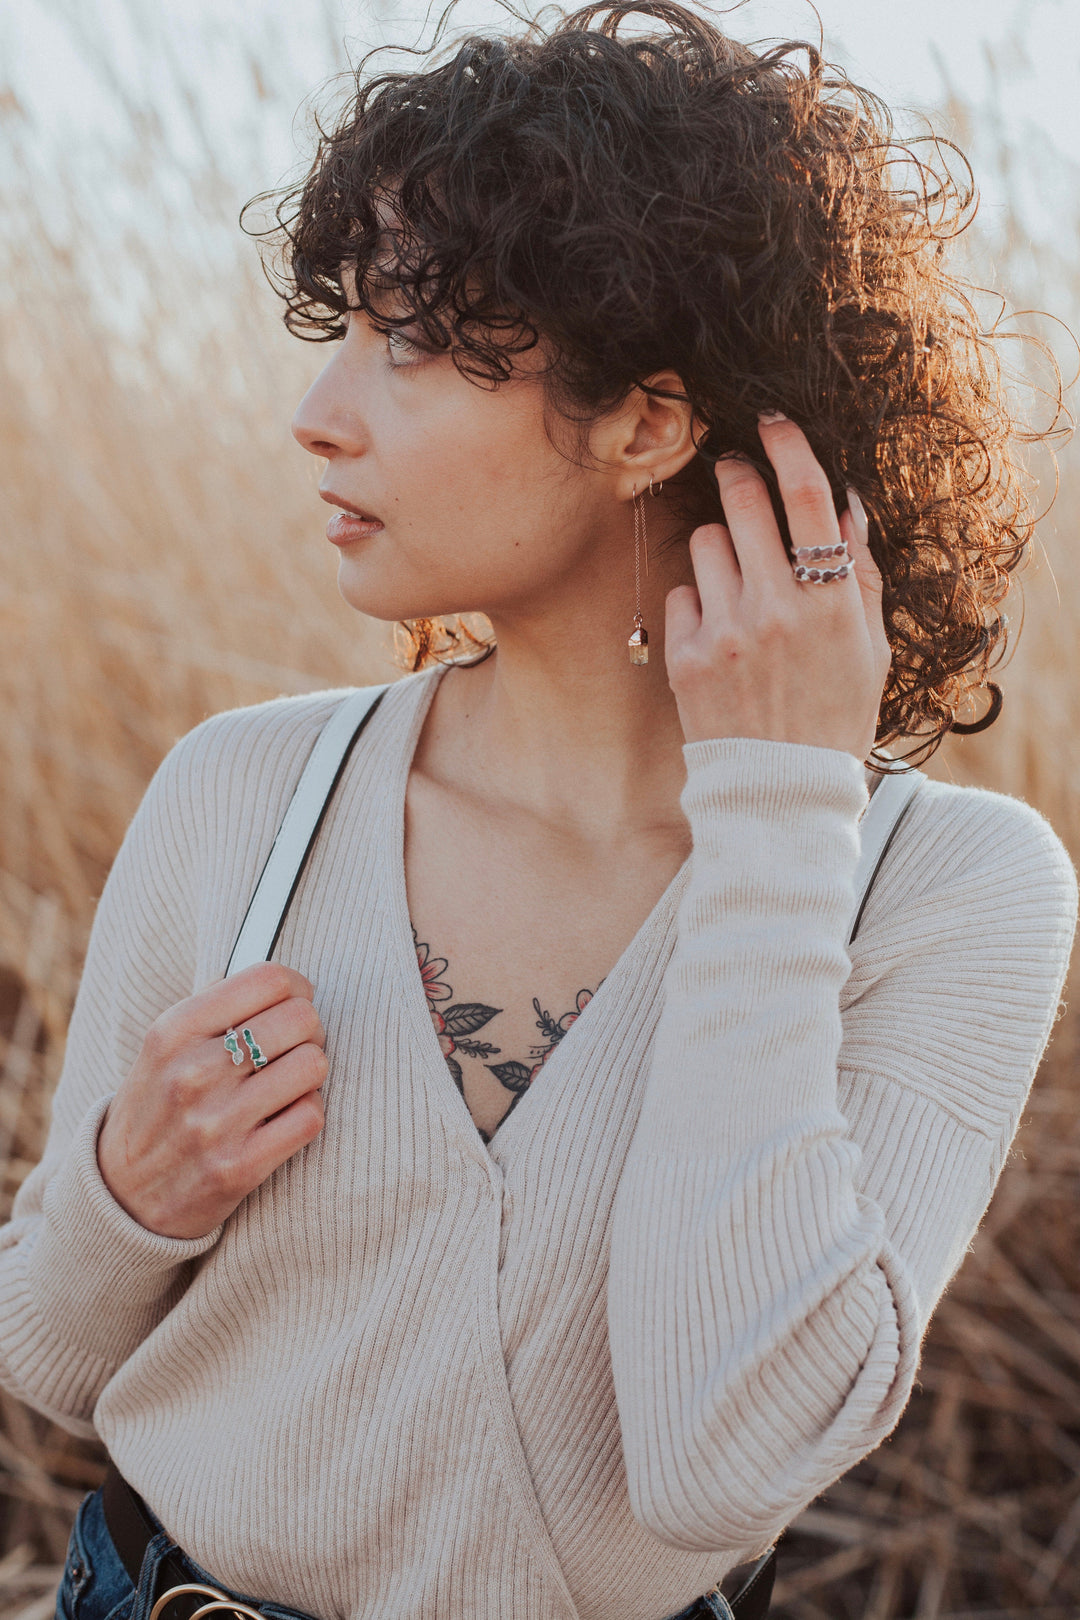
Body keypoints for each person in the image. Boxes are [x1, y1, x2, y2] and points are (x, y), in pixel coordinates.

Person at [2, 4, 1076, 1619]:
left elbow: (723, 1466)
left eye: (410, 344)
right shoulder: (248, 793)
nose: (319, 412)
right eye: (340, 326)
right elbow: (51, 1358)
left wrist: (779, 803)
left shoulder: (945, 887)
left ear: (647, 422)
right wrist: (129, 1189)